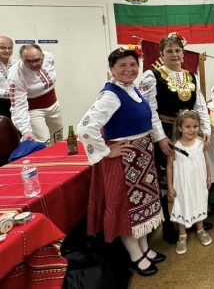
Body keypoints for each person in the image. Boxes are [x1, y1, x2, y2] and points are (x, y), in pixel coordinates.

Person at [78, 48, 165, 277]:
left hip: (141, 158)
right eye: (122, 65)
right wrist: (107, 151)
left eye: (133, 65)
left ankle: (144, 247)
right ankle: (135, 255)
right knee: (127, 208)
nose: (129, 69)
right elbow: (85, 127)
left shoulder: (133, 89)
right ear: (111, 69)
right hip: (124, 162)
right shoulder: (110, 95)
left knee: (141, 207)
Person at [139, 32, 212, 244]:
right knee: (168, 179)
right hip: (165, 130)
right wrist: (160, 138)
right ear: (161, 54)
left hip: (189, 132)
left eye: (178, 50)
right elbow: (150, 110)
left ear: (183, 53)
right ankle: (170, 225)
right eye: (169, 51)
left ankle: (194, 218)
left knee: (191, 175)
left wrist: (206, 129)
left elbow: (200, 106)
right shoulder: (152, 76)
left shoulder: (192, 76)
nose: (174, 54)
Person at [168, 110, 212, 255]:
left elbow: (205, 160)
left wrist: (208, 176)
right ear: (180, 128)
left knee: (198, 201)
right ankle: (182, 235)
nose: (192, 130)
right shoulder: (175, 146)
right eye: (188, 127)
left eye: (195, 126)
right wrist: (170, 187)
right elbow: (169, 167)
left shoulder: (200, 143)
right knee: (182, 204)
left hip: (197, 181)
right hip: (181, 184)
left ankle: (200, 230)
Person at [8, 44, 63, 144]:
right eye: (28, 61)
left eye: (37, 60)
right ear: (21, 58)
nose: (34, 64)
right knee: (42, 140)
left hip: (53, 104)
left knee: (57, 135)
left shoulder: (49, 57)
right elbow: (18, 105)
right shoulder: (15, 75)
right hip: (34, 110)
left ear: (43, 55)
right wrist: (25, 130)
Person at [0, 36, 15, 118]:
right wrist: (8, 93)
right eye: (3, 48)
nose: (7, 50)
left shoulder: (17, 64)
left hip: (16, 104)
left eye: (10, 48)